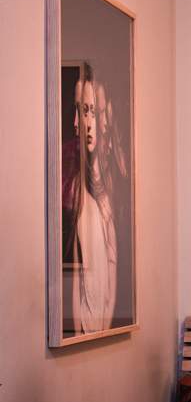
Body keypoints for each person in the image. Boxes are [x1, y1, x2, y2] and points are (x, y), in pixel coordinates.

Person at [70, 64, 119, 335]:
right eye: (79, 110)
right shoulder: (78, 190)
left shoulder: (109, 196)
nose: (80, 123)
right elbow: (77, 276)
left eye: (89, 111)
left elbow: (112, 278)